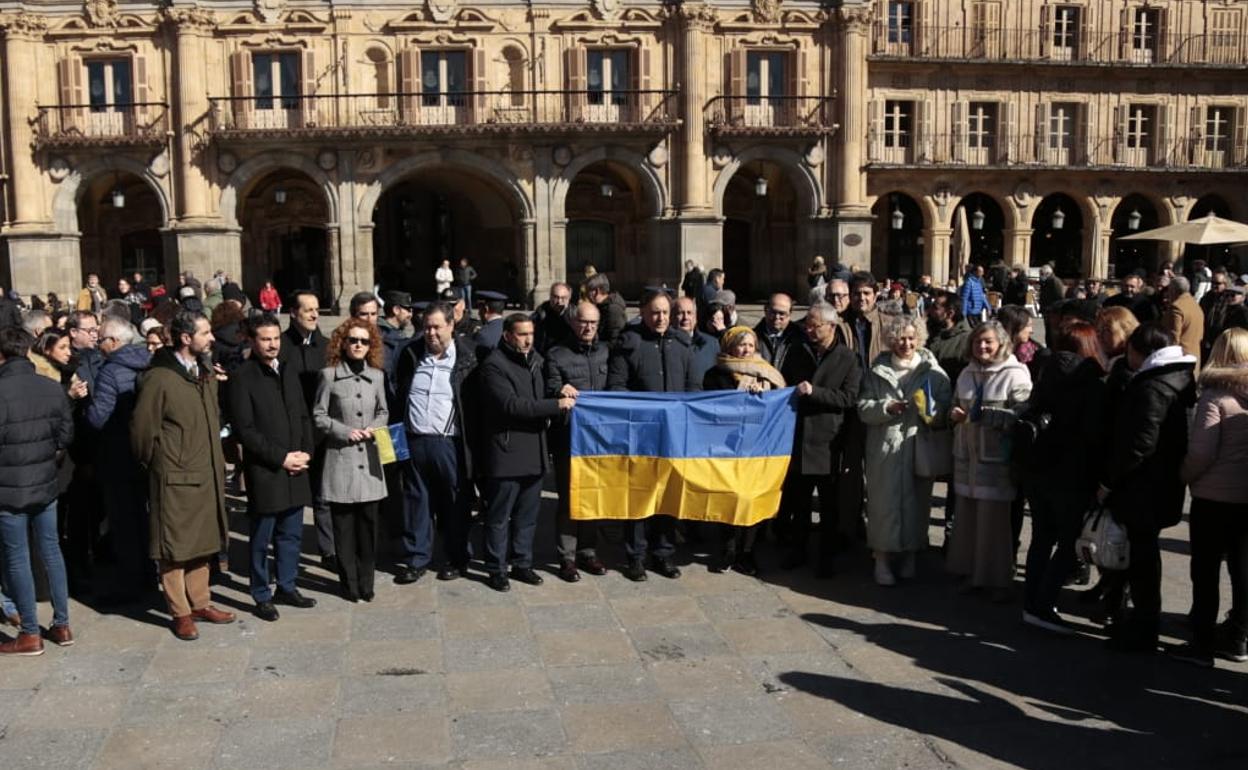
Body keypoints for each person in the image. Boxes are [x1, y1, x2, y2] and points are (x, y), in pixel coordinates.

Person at [130, 311, 235, 641]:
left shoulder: (203, 371)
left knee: (203, 542)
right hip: (174, 477)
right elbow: (141, 432)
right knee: (174, 548)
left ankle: (201, 602)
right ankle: (180, 612)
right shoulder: (159, 378)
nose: (212, 338)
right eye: (205, 333)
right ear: (186, 338)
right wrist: (161, 462)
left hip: (207, 474)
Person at [1100, 324, 1195, 653]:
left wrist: (1110, 481)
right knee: (1144, 556)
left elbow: (1139, 445)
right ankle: (1142, 619)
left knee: (1142, 559)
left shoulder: (1152, 386)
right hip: (1160, 484)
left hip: (1144, 487)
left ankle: (1144, 625)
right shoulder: (1178, 378)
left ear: (1141, 351)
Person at [1016, 322, 1108, 634]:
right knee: (1068, 542)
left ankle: (1032, 602)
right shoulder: (1092, 382)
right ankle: (1044, 603)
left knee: (1042, 537)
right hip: (1071, 474)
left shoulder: (1046, 372)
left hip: (1038, 468)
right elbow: (1095, 435)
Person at [227, 314, 317, 622]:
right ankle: (262, 592)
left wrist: (306, 452)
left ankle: (288, 585)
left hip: (296, 466)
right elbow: (246, 430)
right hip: (267, 470)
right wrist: (281, 458)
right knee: (262, 537)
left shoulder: (288, 370)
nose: (273, 344)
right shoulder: (243, 377)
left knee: (291, 533)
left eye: (276, 338)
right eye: (266, 339)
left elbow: (303, 414)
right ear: (252, 341)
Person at [608, 289, 701, 580]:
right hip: (641, 436)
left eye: (665, 312)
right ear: (643, 313)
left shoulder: (683, 345)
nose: (660, 318)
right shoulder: (630, 344)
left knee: (668, 497)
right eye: (654, 312)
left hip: (673, 436)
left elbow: (693, 389)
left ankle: (663, 554)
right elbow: (616, 388)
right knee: (639, 498)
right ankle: (635, 556)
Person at [478, 314, 574, 591]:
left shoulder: (536, 360)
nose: (528, 339)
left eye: (531, 333)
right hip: (507, 453)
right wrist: (555, 405)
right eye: (521, 334)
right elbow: (513, 406)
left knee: (527, 517)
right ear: (507, 335)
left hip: (535, 452)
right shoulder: (494, 366)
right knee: (499, 517)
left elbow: (548, 387)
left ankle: (522, 563)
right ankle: (496, 568)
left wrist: (561, 388)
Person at [859, 315, 951, 586]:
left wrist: (931, 411)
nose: (906, 343)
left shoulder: (933, 370)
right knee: (882, 506)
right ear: (890, 340)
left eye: (911, 338)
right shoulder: (877, 370)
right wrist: (886, 408)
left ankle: (910, 555)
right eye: (900, 338)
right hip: (885, 448)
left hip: (917, 445)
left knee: (917, 504)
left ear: (919, 339)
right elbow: (863, 407)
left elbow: (946, 407)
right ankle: (883, 560)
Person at [1175, 328, 1248, 666]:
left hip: (1213, 497)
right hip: (1244, 498)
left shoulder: (1215, 396)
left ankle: (1201, 641)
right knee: (1242, 571)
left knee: (1205, 571)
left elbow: (1202, 452)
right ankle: (1238, 636)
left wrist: (1184, 477)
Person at [947, 321, 1033, 602]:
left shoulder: (1016, 373)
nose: (982, 347)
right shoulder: (966, 373)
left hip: (996, 460)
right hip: (967, 459)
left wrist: (985, 417)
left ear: (1001, 344)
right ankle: (972, 574)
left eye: (988, 342)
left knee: (993, 525)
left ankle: (997, 580)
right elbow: (954, 405)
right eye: (977, 342)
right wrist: (955, 413)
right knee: (969, 521)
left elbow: (1022, 415)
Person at [0, 327, 74, 655]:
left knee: (18, 558)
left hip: (9, 490)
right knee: (51, 551)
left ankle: (30, 632)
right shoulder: (51, 387)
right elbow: (65, 435)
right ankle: (62, 623)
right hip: (45, 482)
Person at [393, 302, 478, 583]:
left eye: (436, 327)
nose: (430, 333)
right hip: (415, 441)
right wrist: (395, 447)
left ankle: (456, 558)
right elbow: (397, 399)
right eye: (427, 327)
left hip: (450, 444)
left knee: (454, 504)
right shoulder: (410, 354)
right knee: (416, 502)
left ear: (451, 325)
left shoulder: (468, 358)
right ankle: (416, 559)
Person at [777, 302, 861, 577]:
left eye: (816, 326)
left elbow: (849, 398)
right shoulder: (798, 351)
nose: (810, 330)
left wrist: (816, 392)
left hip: (829, 442)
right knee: (799, 503)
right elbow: (785, 384)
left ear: (831, 327)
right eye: (808, 325)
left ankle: (826, 558)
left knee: (829, 508)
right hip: (800, 439)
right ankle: (797, 550)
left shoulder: (847, 358)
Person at [313, 318, 389, 603]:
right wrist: (345, 431)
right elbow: (319, 415)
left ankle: (366, 583)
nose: (358, 345)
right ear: (343, 343)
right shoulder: (328, 375)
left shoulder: (377, 376)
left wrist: (374, 428)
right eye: (353, 340)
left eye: (364, 341)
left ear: (371, 346)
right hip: (341, 461)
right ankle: (349, 584)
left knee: (368, 529)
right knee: (343, 529)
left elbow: (384, 410)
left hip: (369, 462)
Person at [702, 326, 785, 574]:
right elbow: (714, 407)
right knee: (728, 497)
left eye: (750, 345)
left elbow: (780, 402)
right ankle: (727, 549)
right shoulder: (715, 374)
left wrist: (763, 396)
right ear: (728, 347)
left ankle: (747, 551)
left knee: (752, 498)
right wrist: (741, 397)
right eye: (741, 344)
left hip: (759, 448)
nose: (746, 349)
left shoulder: (767, 373)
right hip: (727, 447)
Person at [84, 317, 152, 602]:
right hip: (144, 453)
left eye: (100, 340)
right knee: (144, 518)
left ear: (113, 342)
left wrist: (84, 406)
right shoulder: (148, 360)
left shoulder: (110, 371)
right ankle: (149, 576)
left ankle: (130, 583)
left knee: (124, 523)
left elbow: (99, 418)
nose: (98, 345)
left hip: (117, 454)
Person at [544, 302, 609, 582]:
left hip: (599, 440)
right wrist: (559, 388)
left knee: (593, 496)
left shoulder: (606, 351)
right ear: (573, 322)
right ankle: (566, 557)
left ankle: (588, 550)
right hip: (568, 439)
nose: (589, 328)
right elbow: (548, 387)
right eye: (584, 322)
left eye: (593, 323)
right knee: (570, 498)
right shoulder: (557, 354)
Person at [278, 290, 336, 571]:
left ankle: (329, 551)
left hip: (321, 433)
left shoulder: (327, 346)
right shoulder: (281, 347)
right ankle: (287, 555)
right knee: (293, 498)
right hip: (291, 433)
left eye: (316, 309)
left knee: (324, 495)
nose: (314, 314)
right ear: (293, 313)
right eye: (308, 310)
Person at [926, 292, 973, 386]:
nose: (929, 310)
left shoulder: (967, 341)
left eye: (935, 308)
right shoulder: (927, 333)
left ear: (950, 313)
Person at [1159, 275, 1205, 367]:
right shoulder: (1196, 306)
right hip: (1195, 356)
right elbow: (1200, 335)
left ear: (1173, 290)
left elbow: (1173, 338)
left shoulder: (1176, 308)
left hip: (1180, 360)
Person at [675, 296, 719, 383]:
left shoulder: (711, 344)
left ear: (695, 318)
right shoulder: (665, 344)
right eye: (680, 313)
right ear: (671, 317)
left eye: (689, 313)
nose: (685, 317)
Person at [754, 293, 800, 372]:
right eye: (773, 312)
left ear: (790, 314)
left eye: (782, 313)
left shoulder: (801, 337)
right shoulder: (752, 337)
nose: (777, 317)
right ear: (765, 310)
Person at [377, 291, 416, 376]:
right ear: (396, 310)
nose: (411, 314)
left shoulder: (398, 333)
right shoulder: (381, 335)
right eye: (408, 310)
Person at [584, 274, 627, 345]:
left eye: (588, 291)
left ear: (596, 291)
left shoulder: (613, 309)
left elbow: (614, 339)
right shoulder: (601, 306)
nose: (586, 295)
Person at [532, 282, 574, 356]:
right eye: (556, 297)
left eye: (563, 298)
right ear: (550, 296)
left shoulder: (575, 314)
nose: (559, 302)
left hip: (568, 356)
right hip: (544, 355)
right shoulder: (539, 314)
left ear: (569, 298)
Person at [473, 290, 508, 358]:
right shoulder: (508, 328)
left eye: (480, 309)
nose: (479, 313)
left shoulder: (482, 335)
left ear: (486, 309)